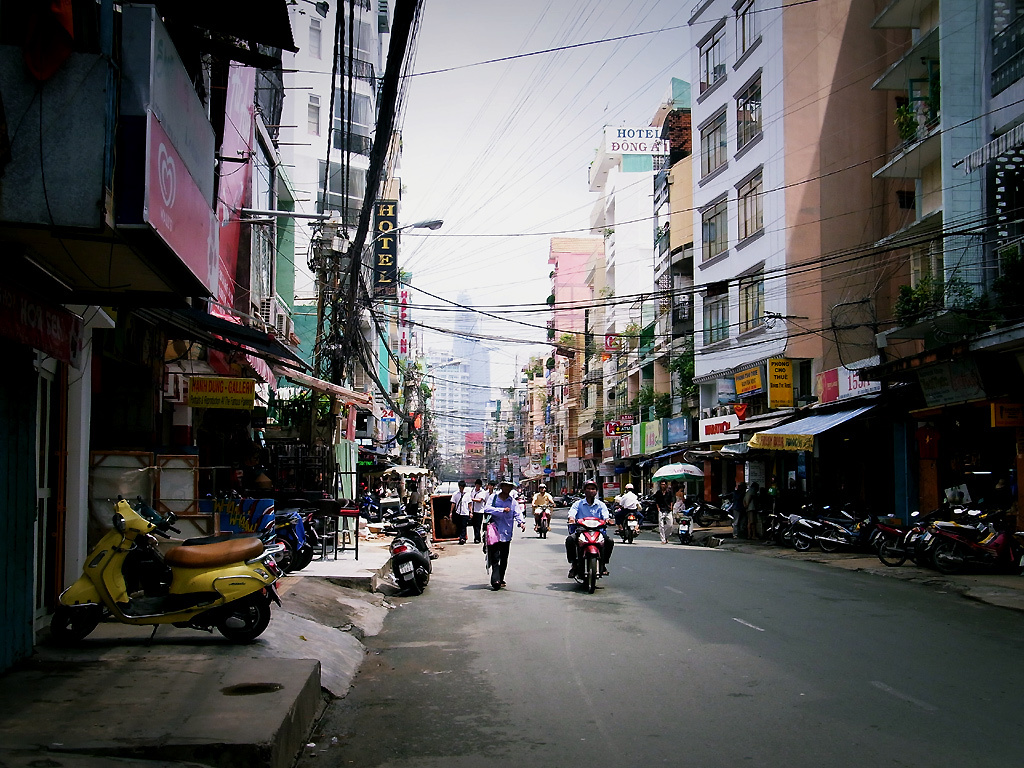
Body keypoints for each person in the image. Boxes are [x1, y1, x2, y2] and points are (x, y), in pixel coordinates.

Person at [565, 479, 615, 577]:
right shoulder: (578, 504)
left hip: (598, 531)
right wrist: (571, 518)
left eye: (593, 489)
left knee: (609, 541)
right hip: (581, 530)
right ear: (584, 490)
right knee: (570, 540)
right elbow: (572, 513)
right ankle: (574, 565)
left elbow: (606, 515)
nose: (590, 491)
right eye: (588, 488)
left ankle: (603, 564)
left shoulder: (601, 504)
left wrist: (608, 520)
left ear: (596, 491)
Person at [483, 480, 526, 590]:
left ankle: (501, 578)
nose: (507, 489)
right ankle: (495, 580)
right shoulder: (494, 498)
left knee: (504, 557)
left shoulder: (512, 502)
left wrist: (521, 522)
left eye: (509, 487)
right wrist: (501, 510)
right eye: (506, 486)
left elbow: (518, 513)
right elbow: (487, 509)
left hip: (507, 534)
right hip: (494, 533)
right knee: (495, 557)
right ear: (502, 487)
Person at [449, 480, 472, 545]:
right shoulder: (455, 494)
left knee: (464, 526)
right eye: (460, 487)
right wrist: (451, 512)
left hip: (465, 512)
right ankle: (460, 537)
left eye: (462, 487)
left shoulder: (467, 495)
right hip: (458, 512)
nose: (461, 488)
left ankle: (463, 538)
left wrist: (471, 512)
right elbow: (453, 503)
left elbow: (469, 504)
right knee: (459, 525)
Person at [470, 479, 488, 544]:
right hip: (473, 510)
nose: (477, 487)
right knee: (474, 525)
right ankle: (476, 537)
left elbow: (480, 500)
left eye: (478, 485)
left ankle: (477, 538)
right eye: (476, 485)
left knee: (478, 525)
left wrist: (471, 499)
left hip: (479, 511)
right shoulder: (472, 491)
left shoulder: (482, 492)